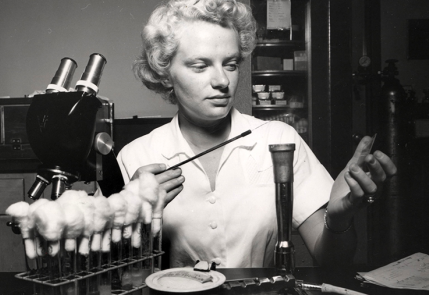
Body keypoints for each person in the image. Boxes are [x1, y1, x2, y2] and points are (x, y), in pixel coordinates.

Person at [117, 0, 397, 269]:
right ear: (165, 73)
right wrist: (130, 216)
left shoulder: (278, 141)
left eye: (230, 64)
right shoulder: (136, 157)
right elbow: (122, 273)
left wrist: (338, 219)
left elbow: (333, 260)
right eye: (200, 66)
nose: (223, 81)